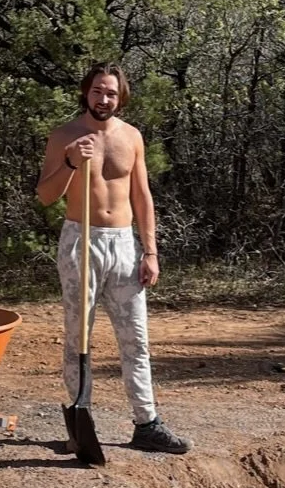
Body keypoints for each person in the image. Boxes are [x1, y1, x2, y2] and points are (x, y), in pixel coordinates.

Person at [35, 62, 189, 455]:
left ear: (121, 98)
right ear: (86, 93)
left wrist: (150, 251)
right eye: (97, 91)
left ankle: (147, 423)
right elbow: (45, 196)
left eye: (111, 93)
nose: (104, 99)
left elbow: (142, 197)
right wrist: (70, 162)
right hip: (79, 242)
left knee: (135, 337)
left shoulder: (131, 137)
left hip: (123, 244)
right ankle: (78, 420)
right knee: (77, 336)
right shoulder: (64, 136)